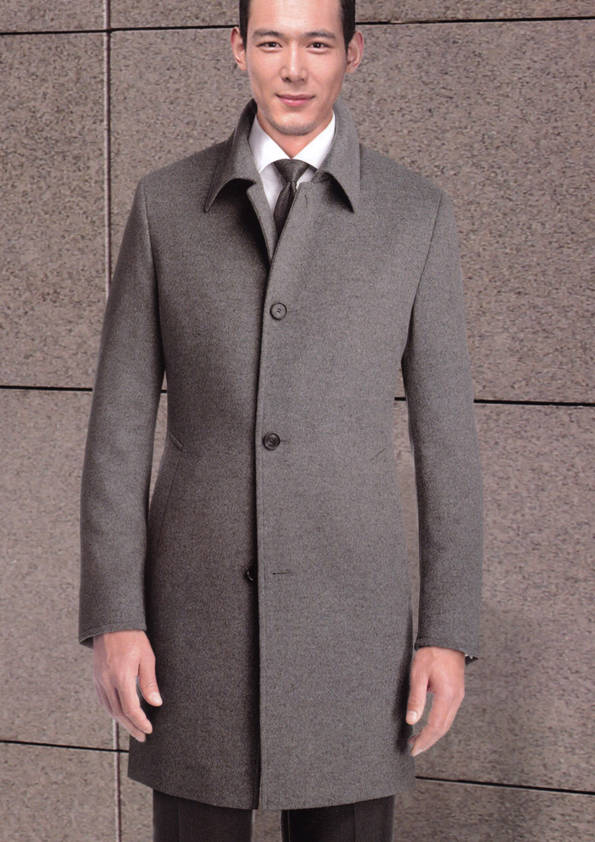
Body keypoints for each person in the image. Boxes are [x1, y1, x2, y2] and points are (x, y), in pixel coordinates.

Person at [78, 0, 484, 839]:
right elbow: (118, 430)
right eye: (270, 42)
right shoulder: (164, 205)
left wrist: (446, 631)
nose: (293, 68)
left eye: (315, 44)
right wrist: (116, 613)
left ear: (351, 53)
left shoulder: (415, 214)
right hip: (191, 622)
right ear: (238, 49)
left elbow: (446, 440)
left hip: (354, 623)